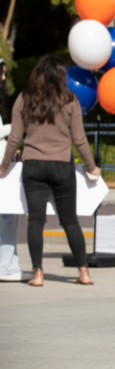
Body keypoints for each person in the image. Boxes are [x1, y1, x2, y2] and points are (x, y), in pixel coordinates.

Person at [0, 56, 100, 286]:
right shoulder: (69, 100)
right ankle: (83, 273)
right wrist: (91, 166)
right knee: (70, 220)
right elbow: (79, 139)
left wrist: (4, 167)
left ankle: (37, 274)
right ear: (60, 76)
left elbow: (15, 138)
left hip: (33, 165)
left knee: (35, 221)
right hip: (62, 165)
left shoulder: (24, 99)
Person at [0, 59, 33, 282]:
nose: (4, 78)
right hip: (3, 168)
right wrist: (15, 127)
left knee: (7, 215)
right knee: (6, 215)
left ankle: (8, 263)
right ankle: (6, 266)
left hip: (6, 163)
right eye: (1, 73)